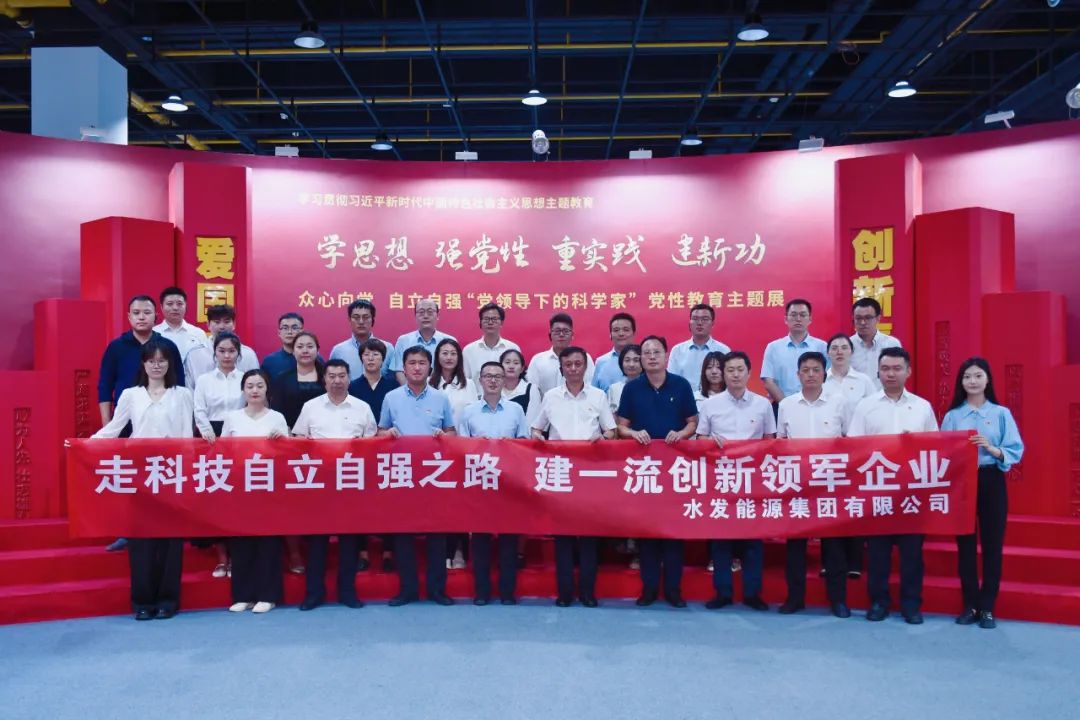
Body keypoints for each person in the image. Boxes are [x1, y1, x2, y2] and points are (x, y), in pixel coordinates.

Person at [91, 339, 193, 620]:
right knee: (141, 542)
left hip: (172, 473)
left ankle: (168, 601)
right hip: (141, 473)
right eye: (151, 360)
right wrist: (85, 444)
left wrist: (186, 476)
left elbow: (187, 437)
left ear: (169, 363)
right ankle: (143, 602)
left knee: (171, 543)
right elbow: (114, 429)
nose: (157, 365)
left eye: (162, 360)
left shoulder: (183, 394)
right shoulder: (130, 395)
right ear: (143, 364)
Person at [848, 347, 938, 624]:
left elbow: (936, 447)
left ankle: (911, 605)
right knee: (878, 554)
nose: (891, 374)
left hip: (911, 493)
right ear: (878, 372)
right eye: (885, 368)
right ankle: (879, 602)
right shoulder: (866, 406)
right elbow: (853, 446)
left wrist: (916, 443)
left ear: (908, 371)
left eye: (897, 368)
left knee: (912, 554)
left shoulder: (922, 407)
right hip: (878, 492)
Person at [97, 294, 185, 553]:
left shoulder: (167, 345)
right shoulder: (117, 347)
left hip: (165, 420)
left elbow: (179, 382)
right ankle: (128, 531)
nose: (142, 317)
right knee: (130, 480)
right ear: (129, 316)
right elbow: (105, 384)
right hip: (126, 420)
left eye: (147, 312)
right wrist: (107, 426)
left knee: (164, 478)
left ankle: (167, 528)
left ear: (155, 316)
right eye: (136, 313)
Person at [942, 357, 1024, 630]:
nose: (973, 381)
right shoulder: (953, 416)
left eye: (978, 376)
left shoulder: (1001, 413)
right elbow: (942, 452)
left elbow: (1015, 449)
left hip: (991, 479)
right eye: (967, 377)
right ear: (961, 382)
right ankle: (971, 604)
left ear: (987, 379)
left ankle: (988, 606)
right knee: (965, 545)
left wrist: (991, 448)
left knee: (992, 544)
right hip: (962, 483)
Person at [616, 335, 697, 608]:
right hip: (645, 470)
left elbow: (693, 422)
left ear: (666, 356)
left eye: (656, 352)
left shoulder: (681, 385)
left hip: (675, 469)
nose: (651, 357)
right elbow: (621, 426)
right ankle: (649, 589)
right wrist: (633, 433)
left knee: (674, 532)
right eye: (647, 353)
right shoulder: (632, 388)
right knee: (648, 532)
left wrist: (682, 433)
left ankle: (673, 590)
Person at [532, 347, 617, 607]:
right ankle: (565, 593)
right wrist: (539, 438)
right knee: (564, 538)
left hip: (590, 473)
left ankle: (588, 593)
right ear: (561, 369)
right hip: (561, 473)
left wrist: (603, 438)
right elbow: (536, 428)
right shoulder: (551, 397)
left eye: (578, 364)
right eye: (568, 364)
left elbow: (611, 431)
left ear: (585, 367)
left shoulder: (598, 396)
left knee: (589, 537)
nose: (573, 369)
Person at [291, 359, 378, 610]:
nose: (337, 381)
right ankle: (313, 593)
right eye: (332, 376)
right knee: (317, 542)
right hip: (319, 485)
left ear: (349, 379)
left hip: (351, 483)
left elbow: (372, 443)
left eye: (341, 376)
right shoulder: (311, 407)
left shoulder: (362, 407)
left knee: (349, 542)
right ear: (324, 380)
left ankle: (347, 592)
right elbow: (298, 439)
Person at [378, 346, 457, 606]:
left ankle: (437, 589)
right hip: (402, 474)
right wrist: (387, 434)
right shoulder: (391, 397)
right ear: (404, 367)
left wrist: (445, 436)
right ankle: (407, 590)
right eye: (411, 362)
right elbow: (380, 432)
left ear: (430, 368)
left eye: (422, 363)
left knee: (437, 534)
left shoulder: (441, 398)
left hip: (433, 475)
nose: (417, 367)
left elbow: (451, 432)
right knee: (403, 534)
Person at [697, 350, 775, 611]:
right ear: (723, 373)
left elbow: (770, 440)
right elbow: (700, 438)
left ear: (749, 373)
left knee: (753, 539)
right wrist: (710, 441)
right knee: (721, 538)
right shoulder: (711, 405)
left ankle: (753, 593)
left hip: (753, 480)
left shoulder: (762, 405)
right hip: (721, 479)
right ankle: (723, 592)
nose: (735, 375)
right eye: (730, 370)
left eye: (740, 369)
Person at [776, 352, 851, 618]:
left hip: (830, 483)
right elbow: (780, 443)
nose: (810, 374)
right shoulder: (786, 405)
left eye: (815, 370)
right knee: (795, 546)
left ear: (824, 373)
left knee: (834, 546)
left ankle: (838, 600)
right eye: (805, 370)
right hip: (797, 484)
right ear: (798, 375)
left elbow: (850, 440)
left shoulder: (839, 402)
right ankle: (795, 598)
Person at [457, 361, 529, 605]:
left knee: (509, 540)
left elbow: (525, 443)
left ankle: (508, 592)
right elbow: (460, 446)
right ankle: (482, 592)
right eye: (488, 376)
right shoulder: (469, 411)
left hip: (509, 482)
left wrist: (512, 443)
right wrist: (477, 445)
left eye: (498, 376)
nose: (493, 380)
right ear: (480, 380)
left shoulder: (516, 410)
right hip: (480, 482)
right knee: (480, 540)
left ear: (504, 380)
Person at [220, 370, 289, 614]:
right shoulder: (233, 418)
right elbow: (223, 451)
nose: (255, 390)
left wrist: (282, 440)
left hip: (269, 487)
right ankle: (243, 595)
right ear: (243, 390)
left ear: (267, 389)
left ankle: (268, 595)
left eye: (260, 385)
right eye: (250, 386)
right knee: (241, 542)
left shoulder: (277, 418)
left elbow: (288, 454)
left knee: (268, 543)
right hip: (240, 487)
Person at [269, 330, 327, 574]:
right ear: (292, 351)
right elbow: (276, 412)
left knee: (320, 503)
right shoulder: (282, 378)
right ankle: (294, 553)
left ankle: (319, 554)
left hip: (323, 449)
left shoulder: (327, 374)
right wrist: (290, 438)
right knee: (292, 502)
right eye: (300, 346)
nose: (305, 350)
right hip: (291, 446)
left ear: (317, 350)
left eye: (310, 346)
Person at [823, 332, 876, 579]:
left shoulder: (864, 381)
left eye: (844, 347)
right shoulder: (821, 380)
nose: (839, 351)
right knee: (828, 505)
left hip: (858, 451)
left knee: (854, 504)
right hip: (828, 453)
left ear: (851, 352)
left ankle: (855, 562)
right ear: (828, 353)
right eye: (834, 348)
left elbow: (874, 409)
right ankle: (830, 562)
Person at [346, 337, 400, 572]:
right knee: (359, 501)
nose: (371, 358)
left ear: (383, 359)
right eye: (366, 354)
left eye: (376, 354)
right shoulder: (352, 386)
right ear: (361, 358)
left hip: (388, 450)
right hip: (360, 452)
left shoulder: (393, 387)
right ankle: (362, 551)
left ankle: (388, 551)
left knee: (389, 501)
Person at [761, 298, 828, 404]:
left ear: (810, 319)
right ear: (786, 319)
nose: (798, 319)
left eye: (802, 315)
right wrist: (787, 405)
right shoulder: (773, 347)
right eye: (793, 315)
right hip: (781, 405)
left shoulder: (822, 347)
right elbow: (768, 382)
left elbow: (828, 379)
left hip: (815, 405)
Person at [184, 304, 259, 388]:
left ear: (234, 324)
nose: (222, 327)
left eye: (226, 322)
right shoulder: (194, 355)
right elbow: (189, 388)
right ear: (208, 325)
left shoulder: (248, 354)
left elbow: (256, 386)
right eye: (217, 322)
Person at [526, 313, 595, 396]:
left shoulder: (584, 357)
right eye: (557, 331)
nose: (561, 335)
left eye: (566, 331)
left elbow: (590, 386)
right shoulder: (538, 360)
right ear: (550, 335)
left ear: (572, 335)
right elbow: (532, 391)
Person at [390, 298, 455, 384]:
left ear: (437, 316)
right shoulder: (404, 340)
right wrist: (411, 390)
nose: (425, 316)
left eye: (430, 312)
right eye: (421, 312)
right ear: (415, 316)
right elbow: (399, 371)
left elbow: (455, 370)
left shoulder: (449, 341)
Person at [329, 299, 397, 381]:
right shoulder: (338, 351)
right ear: (349, 320)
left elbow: (393, 381)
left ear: (372, 320)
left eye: (366, 317)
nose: (361, 322)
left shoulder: (388, 348)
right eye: (356, 317)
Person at [668, 304, 731, 391]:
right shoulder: (677, 351)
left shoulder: (724, 350)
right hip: (684, 398)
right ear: (690, 323)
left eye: (705, 319)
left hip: (715, 398)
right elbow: (671, 382)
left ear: (712, 323)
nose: (700, 323)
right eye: (695, 319)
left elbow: (728, 381)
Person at [850, 298, 901, 388]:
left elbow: (899, 372)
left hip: (884, 395)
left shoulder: (891, 344)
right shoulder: (847, 346)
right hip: (856, 396)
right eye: (858, 318)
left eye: (868, 318)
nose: (863, 322)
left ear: (878, 318)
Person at [462, 303, 520, 382]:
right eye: (486, 319)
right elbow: (466, 380)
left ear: (501, 322)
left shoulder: (512, 348)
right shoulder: (469, 350)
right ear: (480, 322)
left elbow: (517, 379)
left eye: (494, 319)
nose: (490, 322)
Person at [152, 286, 209, 360]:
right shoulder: (153, 333)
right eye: (170, 304)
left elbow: (205, 361)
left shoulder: (198, 333)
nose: (175, 308)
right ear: (161, 307)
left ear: (186, 306)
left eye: (179, 304)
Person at [262, 312, 324, 379]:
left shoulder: (316, 359)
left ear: (302, 331)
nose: (289, 332)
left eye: (294, 328)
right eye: (285, 328)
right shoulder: (269, 361)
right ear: (279, 333)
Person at [592, 312, 636, 392]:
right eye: (616, 330)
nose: (621, 334)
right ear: (610, 335)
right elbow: (594, 392)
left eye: (626, 330)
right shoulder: (601, 362)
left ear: (633, 334)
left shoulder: (643, 360)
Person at [501, 348, 541, 430]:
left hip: (523, 436)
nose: (511, 366)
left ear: (522, 369)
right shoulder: (494, 389)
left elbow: (532, 421)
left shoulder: (531, 389)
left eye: (516, 363)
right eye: (507, 362)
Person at [607, 343, 642, 416]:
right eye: (627, 360)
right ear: (621, 363)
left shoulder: (650, 386)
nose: (631, 364)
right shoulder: (614, 389)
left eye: (636, 360)